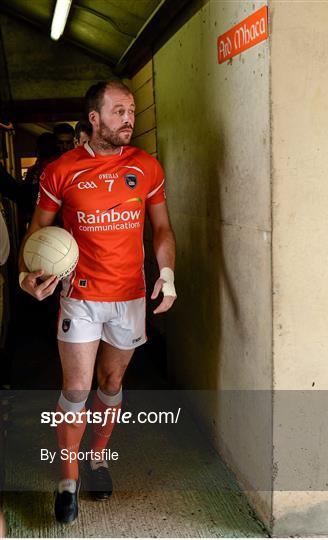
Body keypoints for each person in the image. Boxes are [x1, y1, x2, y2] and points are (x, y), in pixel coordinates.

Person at [18, 80, 177, 524]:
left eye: (132, 110)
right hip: (80, 297)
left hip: (129, 297)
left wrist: (167, 275)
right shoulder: (60, 171)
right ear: (95, 118)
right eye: (119, 111)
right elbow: (36, 234)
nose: (130, 118)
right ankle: (67, 479)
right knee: (76, 389)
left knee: (109, 386)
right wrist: (25, 276)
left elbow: (161, 228)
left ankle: (97, 459)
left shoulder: (145, 166)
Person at [23, 132, 59, 222]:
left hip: (51, 214)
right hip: (40, 214)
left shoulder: (58, 166)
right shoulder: (34, 169)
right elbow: (27, 192)